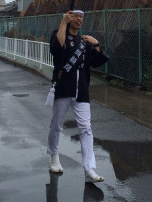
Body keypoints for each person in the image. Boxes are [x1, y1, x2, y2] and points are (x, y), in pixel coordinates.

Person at [47, 10, 108, 184]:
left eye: (81, 17)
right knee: (56, 125)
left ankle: (89, 168)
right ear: (68, 18)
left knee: (86, 128)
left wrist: (96, 44)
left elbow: (97, 61)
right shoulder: (59, 35)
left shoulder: (84, 42)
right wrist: (63, 23)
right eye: (75, 17)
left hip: (81, 90)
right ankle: (54, 157)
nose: (79, 20)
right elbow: (56, 50)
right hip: (63, 87)